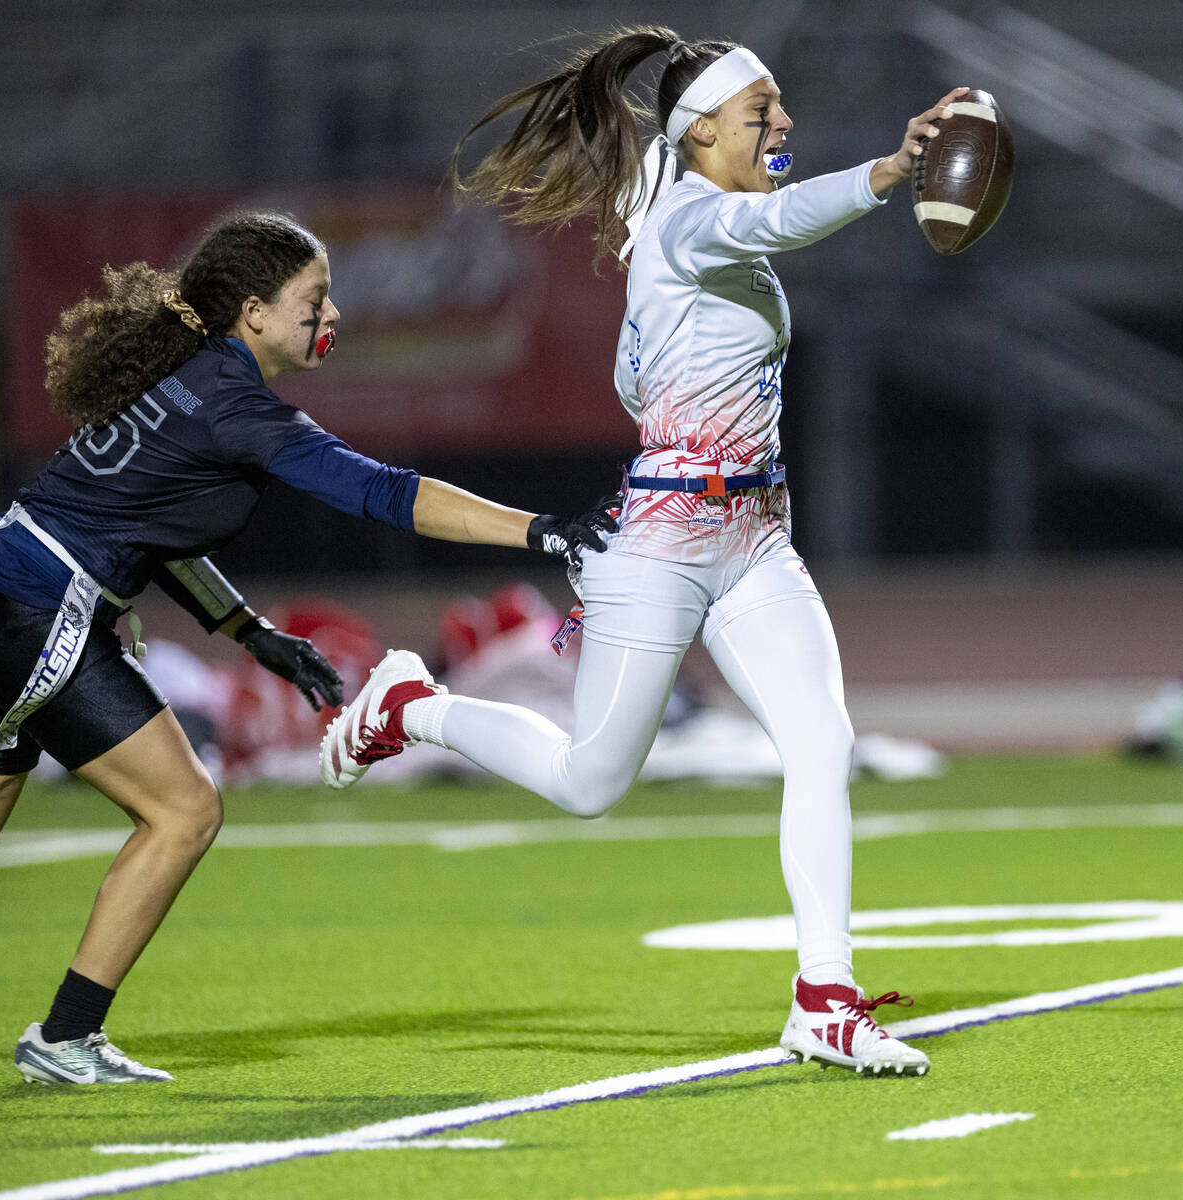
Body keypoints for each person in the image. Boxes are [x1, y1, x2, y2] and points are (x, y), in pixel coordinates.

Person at [322, 28, 965, 1077]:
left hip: (756, 538)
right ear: (701, 128)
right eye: (764, 111)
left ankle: (826, 999)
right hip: (664, 540)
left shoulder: (685, 214)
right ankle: (412, 707)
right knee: (589, 783)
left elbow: (685, 287)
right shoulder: (694, 221)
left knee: (822, 745)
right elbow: (781, 215)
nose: (786, 123)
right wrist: (890, 172)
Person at [0, 209, 614, 1085]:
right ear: (251, 313)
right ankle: (65, 1038)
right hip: (39, 607)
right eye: (313, 300)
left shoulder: (191, 375)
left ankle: (66, 1039)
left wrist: (249, 632)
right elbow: (388, 493)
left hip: (17, 585)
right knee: (185, 811)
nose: (333, 318)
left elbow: (151, 528)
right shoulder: (236, 406)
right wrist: (543, 532)